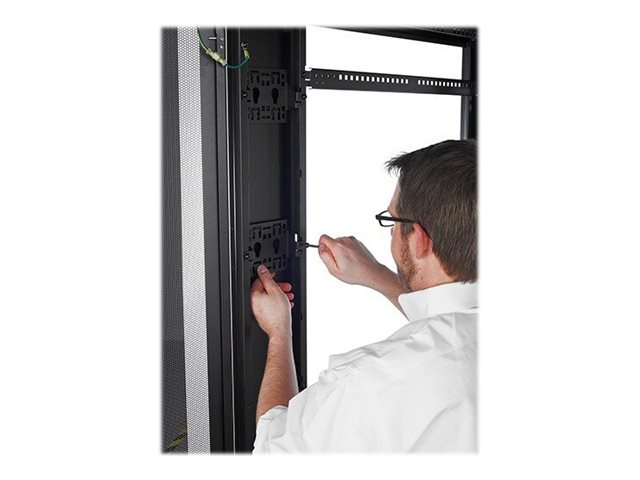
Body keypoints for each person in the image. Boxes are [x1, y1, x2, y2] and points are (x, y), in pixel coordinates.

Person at [250, 139, 477, 452]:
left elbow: (272, 448)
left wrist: (279, 331)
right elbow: (451, 321)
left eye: (392, 221)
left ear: (420, 240)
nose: (391, 233)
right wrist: (376, 274)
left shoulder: (372, 386)